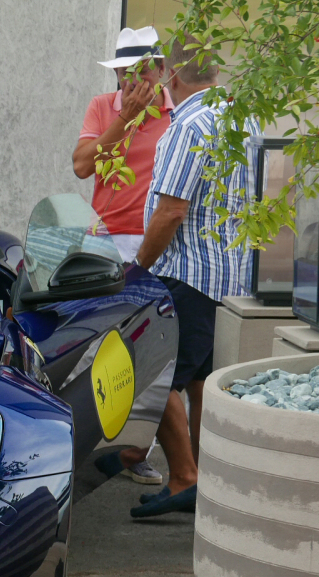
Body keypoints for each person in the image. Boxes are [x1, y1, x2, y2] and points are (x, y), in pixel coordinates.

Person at [125, 32, 256, 518]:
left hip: (188, 275)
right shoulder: (245, 118)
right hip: (230, 278)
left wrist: (139, 267)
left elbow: (170, 212)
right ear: (216, 71)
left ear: (171, 76)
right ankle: (202, 485)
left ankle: (183, 476)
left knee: (153, 383)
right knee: (201, 382)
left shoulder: (190, 125)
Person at [75, 26, 173, 486]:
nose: (126, 82)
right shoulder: (104, 107)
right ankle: (104, 444)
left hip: (156, 239)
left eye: (135, 72)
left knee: (151, 348)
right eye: (120, 73)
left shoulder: (176, 114)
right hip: (107, 238)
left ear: (157, 71)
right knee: (104, 345)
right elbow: (81, 165)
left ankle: (139, 450)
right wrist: (125, 119)